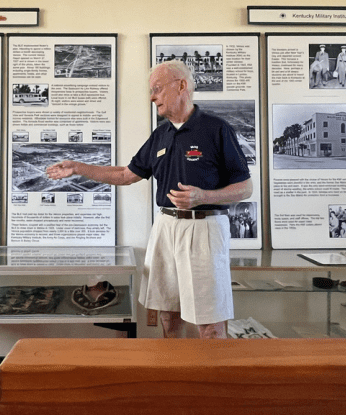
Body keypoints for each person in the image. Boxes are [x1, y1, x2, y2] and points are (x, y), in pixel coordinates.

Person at [47, 60, 252, 339]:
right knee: (168, 312)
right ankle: (172, 377)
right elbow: (125, 174)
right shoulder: (161, 135)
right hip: (166, 227)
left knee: (210, 320)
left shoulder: (216, 129)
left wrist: (204, 196)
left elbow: (245, 187)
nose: (152, 96)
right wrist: (79, 167)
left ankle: (212, 380)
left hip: (205, 228)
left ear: (181, 86)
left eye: (156, 88)